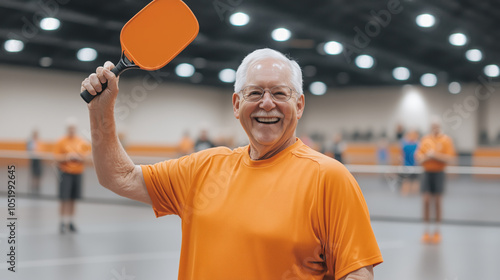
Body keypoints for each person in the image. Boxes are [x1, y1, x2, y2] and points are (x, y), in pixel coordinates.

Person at [81, 48, 383, 279]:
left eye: (280, 93)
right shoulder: (204, 168)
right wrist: (100, 112)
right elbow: (118, 177)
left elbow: (357, 272)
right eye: (255, 93)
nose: (267, 103)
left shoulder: (329, 178)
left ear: (299, 105)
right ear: (237, 105)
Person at [415, 119, 455, 244]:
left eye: (437, 126)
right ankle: (426, 231)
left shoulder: (446, 140)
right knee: (426, 201)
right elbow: (419, 158)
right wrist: (428, 156)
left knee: (437, 202)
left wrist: (434, 155)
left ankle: (437, 232)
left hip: (439, 173)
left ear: (440, 127)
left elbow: (449, 158)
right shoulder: (425, 139)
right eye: (433, 126)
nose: (435, 128)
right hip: (427, 173)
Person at [53, 120, 91, 234]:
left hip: (77, 173)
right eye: (70, 128)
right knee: (64, 198)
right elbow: (56, 157)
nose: (72, 130)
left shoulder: (81, 142)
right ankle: (62, 222)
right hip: (65, 173)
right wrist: (67, 157)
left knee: (73, 199)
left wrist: (79, 158)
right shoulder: (61, 141)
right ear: (67, 129)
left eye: (73, 128)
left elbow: (87, 157)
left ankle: (70, 222)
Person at [400, 130, 420, 196]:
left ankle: (405, 194)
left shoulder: (405, 146)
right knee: (414, 181)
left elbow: (401, 156)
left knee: (407, 181)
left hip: (407, 166)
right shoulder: (417, 146)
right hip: (413, 166)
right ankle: (413, 194)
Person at [27, 129, 43, 196]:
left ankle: (37, 186)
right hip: (33, 159)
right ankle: (33, 186)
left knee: (39, 173)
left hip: (39, 159)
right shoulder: (31, 142)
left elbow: (41, 150)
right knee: (33, 173)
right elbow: (29, 150)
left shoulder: (39, 142)